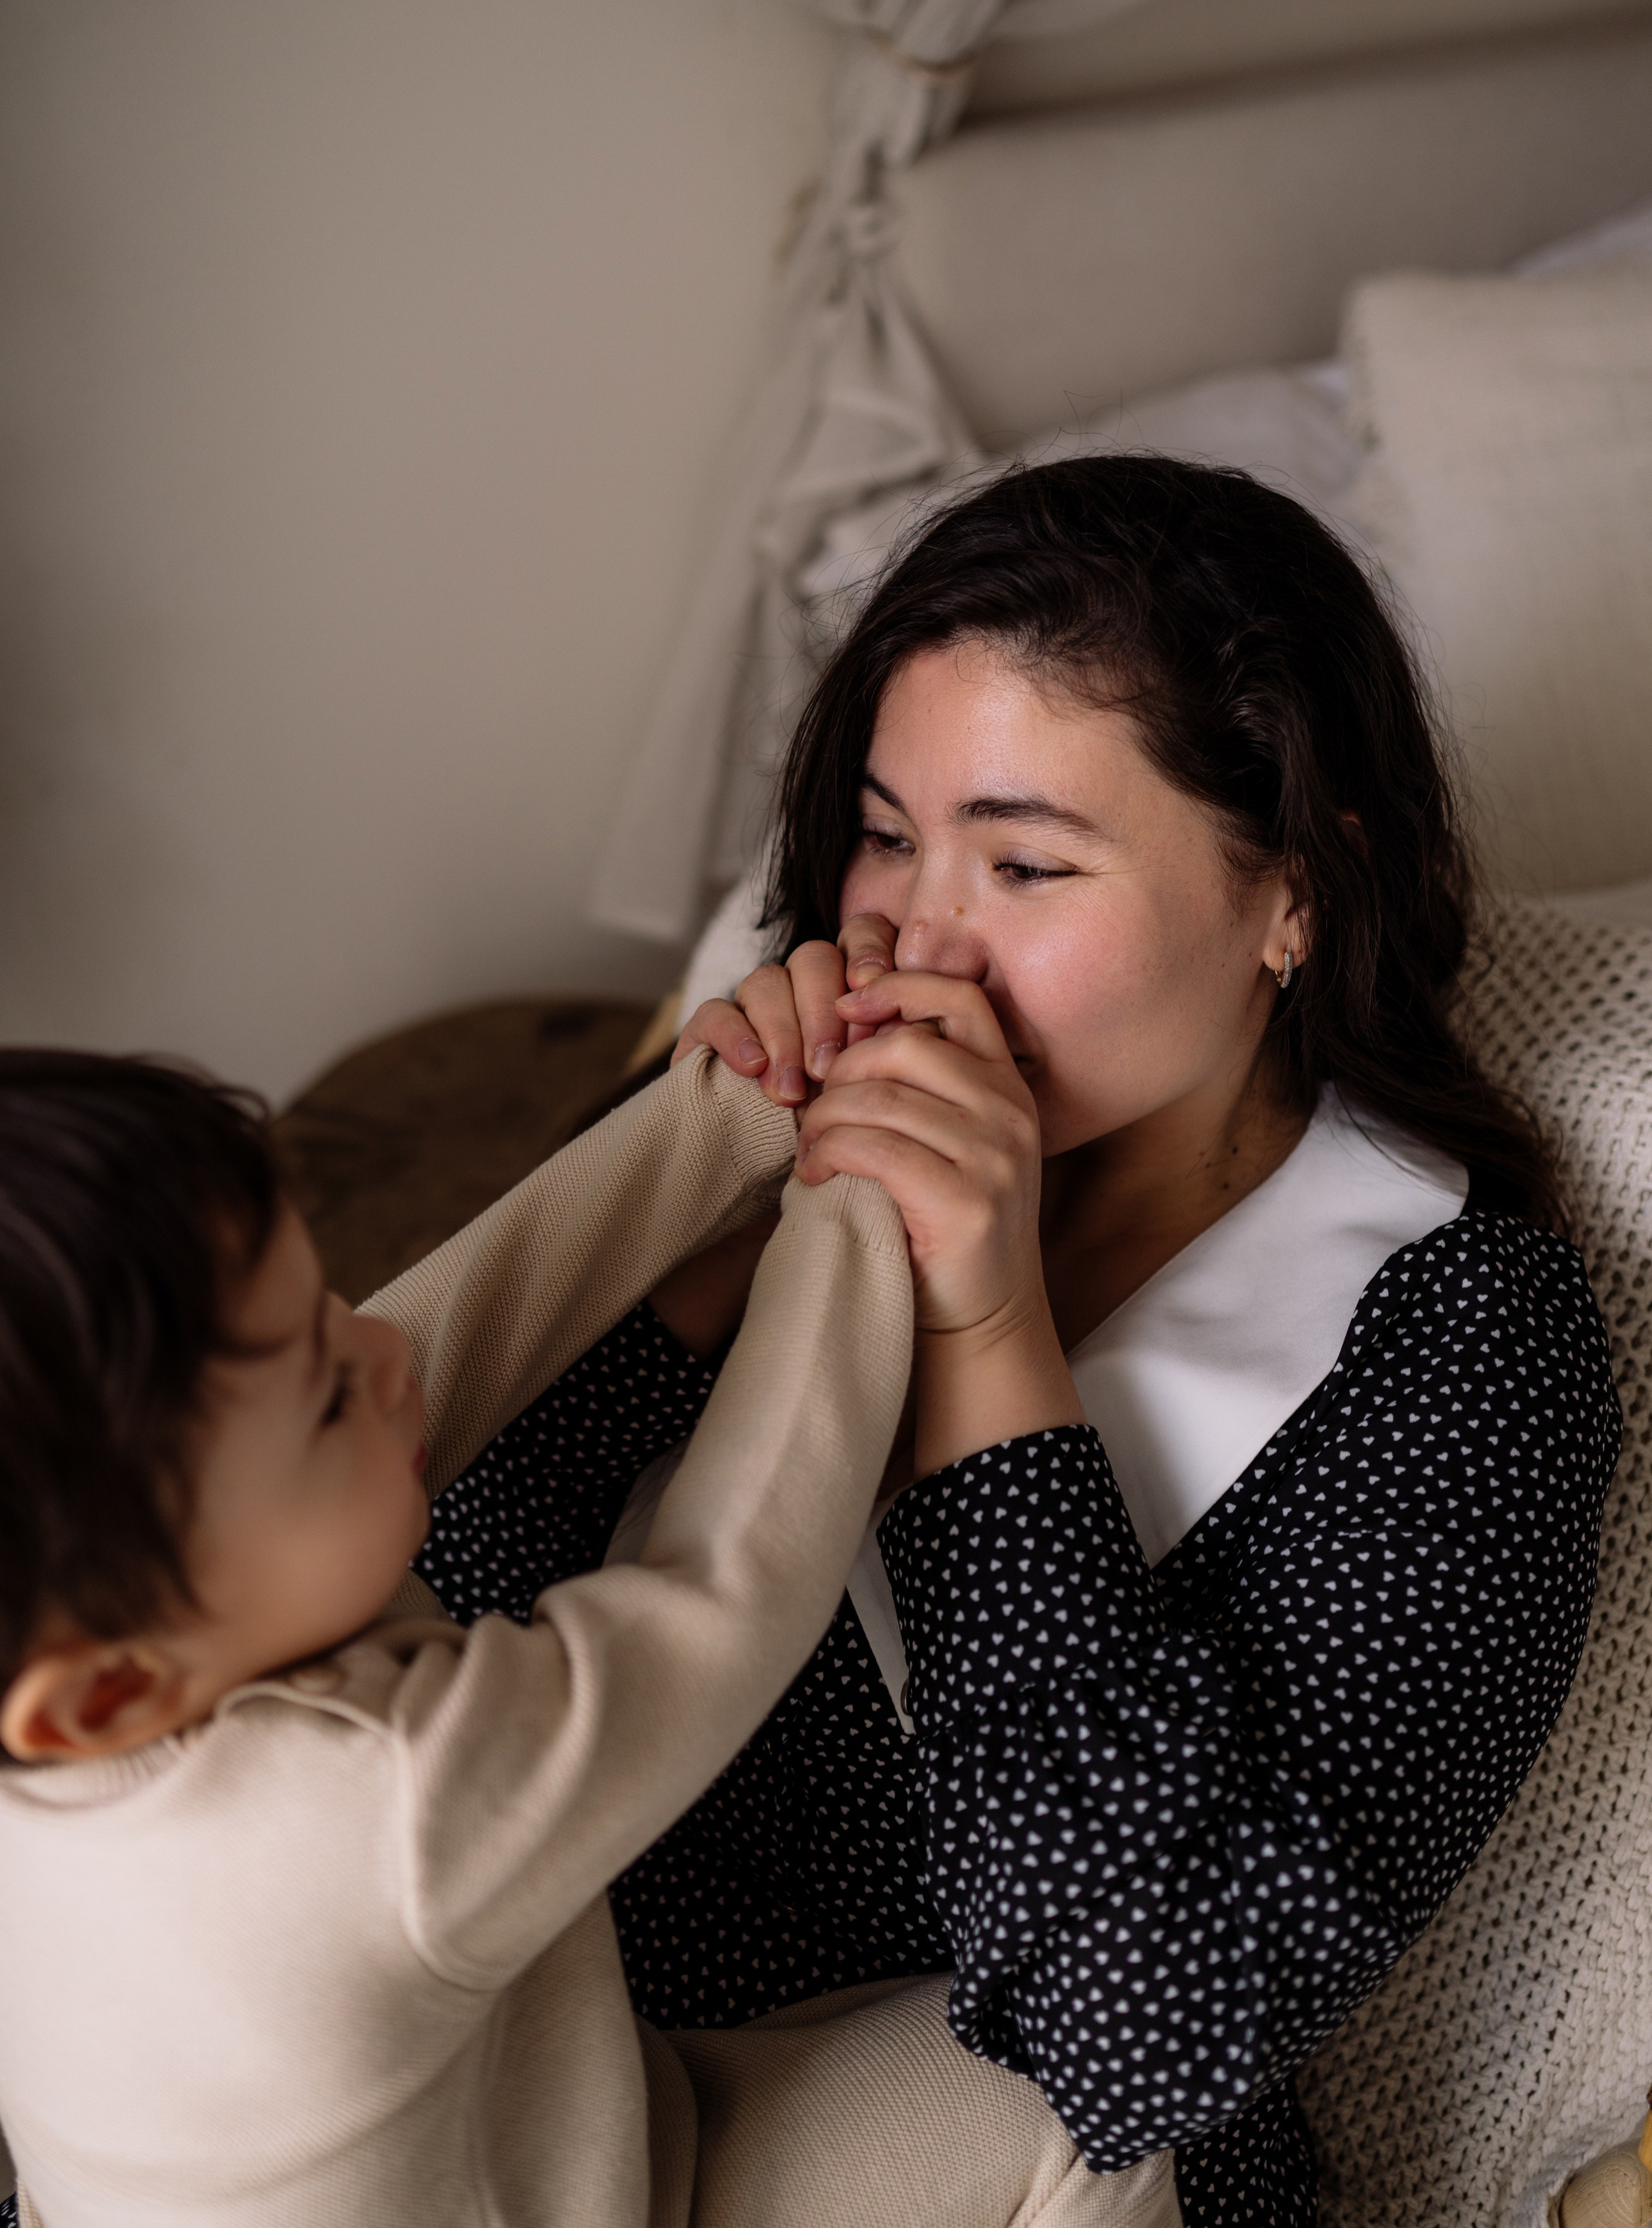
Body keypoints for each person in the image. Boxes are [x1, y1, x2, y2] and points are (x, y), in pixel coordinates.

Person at [417, 456, 1621, 2228]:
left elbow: (1125, 2030)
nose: (917, 935)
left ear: (1296, 892)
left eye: (1028, 859)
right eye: (887, 835)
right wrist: (688, 1255)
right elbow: (381, 1634)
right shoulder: (754, 1147)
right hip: (512, 2090)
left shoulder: (1462, 1348)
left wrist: (986, 1325)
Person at [0, 1045, 1149, 2228]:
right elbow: (723, 1593)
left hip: (543, 2128)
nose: (381, 1351)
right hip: (629, 2190)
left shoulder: (121, 1637)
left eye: (326, 1310)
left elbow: (455, 1332)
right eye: (330, 1396)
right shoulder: (365, 1804)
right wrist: (857, 1197)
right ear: (103, 1696)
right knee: (1073, 2122)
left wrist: (732, 1108)